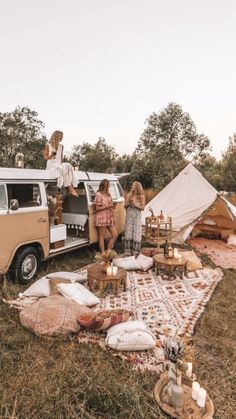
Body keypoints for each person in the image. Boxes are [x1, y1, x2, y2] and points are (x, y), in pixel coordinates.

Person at [43, 130, 78, 196]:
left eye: (62, 136)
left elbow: (61, 159)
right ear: (56, 136)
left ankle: (68, 189)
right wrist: (51, 156)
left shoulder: (61, 146)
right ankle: (70, 188)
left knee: (67, 165)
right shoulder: (48, 145)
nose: (62, 138)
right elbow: (45, 157)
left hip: (58, 164)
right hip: (51, 165)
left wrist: (61, 162)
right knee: (61, 169)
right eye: (60, 136)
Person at [93, 179, 118, 252]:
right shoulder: (98, 194)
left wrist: (113, 206)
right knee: (102, 236)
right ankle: (103, 254)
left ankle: (108, 251)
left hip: (109, 217)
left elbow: (111, 206)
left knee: (115, 235)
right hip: (101, 217)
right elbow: (97, 208)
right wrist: (108, 206)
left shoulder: (108, 194)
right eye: (108, 185)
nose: (109, 186)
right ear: (105, 186)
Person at [124, 181, 145, 255]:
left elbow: (142, 208)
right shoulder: (129, 195)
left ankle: (135, 253)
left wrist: (135, 204)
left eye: (134, 185)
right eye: (132, 185)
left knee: (136, 233)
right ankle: (128, 253)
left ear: (138, 187)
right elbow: (125, 206)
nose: (132, 187)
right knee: (128, 233)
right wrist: (129, 203)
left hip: (137, 216)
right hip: (129, 215)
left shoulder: (141, 196)